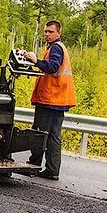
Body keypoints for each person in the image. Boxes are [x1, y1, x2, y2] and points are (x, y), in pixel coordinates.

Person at [24, 20, 77, 180]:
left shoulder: (55, 48)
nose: (47, 34)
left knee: (39, 133)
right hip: (59, 101)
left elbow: (52, 67)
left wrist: (35, 61)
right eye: (46, 31)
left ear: (58, 33)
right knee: (53, 136)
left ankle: (33, 165)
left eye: (50, 32)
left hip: (50, 99)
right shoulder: (60, 48)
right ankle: (52, 170)